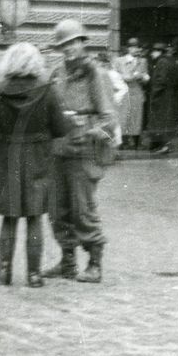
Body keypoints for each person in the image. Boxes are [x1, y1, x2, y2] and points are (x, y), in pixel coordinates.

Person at [0, 42, 73, 287]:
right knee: (34, 217)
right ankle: (33, 274)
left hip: (9, 156)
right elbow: (61, 128)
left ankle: (4, 270)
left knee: (9, 217)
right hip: (38, 157)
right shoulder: (46, 89)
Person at [42, 19, 117, 283]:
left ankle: (95, 263)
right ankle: (67, 261)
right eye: (64, 45)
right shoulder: (57, 72)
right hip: (58, 148)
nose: (69, 49)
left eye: (74, 43)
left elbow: (110, 119)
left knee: (82, 209)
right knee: (56, 209)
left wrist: (89, 130)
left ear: (83, 43)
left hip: (83, 151)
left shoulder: (95, 74)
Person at [145, 44, 178, 154]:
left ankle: (164, 146)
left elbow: (160, 81)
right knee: (167, 121)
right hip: (171, 96)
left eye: (153, 51)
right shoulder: (174, 61)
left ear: (159, 52)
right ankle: (164, 145)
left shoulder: (162, 62)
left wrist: (154, 94)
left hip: (162, 97)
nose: (151, 54)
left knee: (160, 122)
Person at [113, 38, 148, 149]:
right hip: (123, 91)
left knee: (136, 117)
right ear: (128, 48)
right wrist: (128, 77)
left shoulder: (143, 61)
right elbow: (114, 76)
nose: (135, 49)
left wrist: (142, 77)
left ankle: (136, 142)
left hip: (136, 91)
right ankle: (121, 141)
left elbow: (146, 77)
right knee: (122, 116)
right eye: (132, 47)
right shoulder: (119, 60)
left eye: (137, 47)